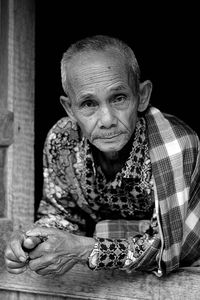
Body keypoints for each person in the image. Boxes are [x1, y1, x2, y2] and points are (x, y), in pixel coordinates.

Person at [4, 35, 200, 277]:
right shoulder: (63, 140)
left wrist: (83, 250)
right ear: (69, 108)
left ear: (142, 96)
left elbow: (169, 249)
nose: (107, 120)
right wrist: (32, 242)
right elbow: (61, 215)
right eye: (88, 104)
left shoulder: (173, 144)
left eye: (119, 98)